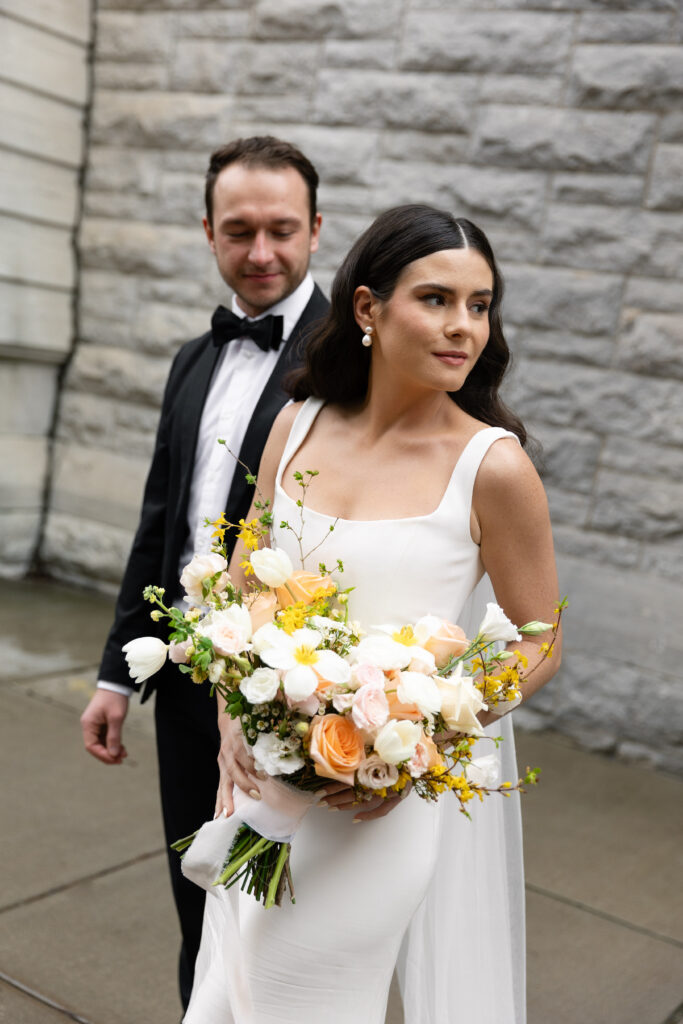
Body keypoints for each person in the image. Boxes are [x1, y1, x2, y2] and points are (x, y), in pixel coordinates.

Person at [187, 204, 561, 1024]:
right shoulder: (298, 421)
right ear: (366, 309)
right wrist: (231, 719)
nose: (462, 326)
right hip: (255, 783)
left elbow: (539, 642)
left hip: (377, 808)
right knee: (225, 995)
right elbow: (244, 585)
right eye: (435, 299)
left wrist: (420, 743)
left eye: (479, 304)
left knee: (303, 1004)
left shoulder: (491, 467)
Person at [79, 136, 329, 1010]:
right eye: (238, 230)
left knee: (266, 905)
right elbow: (161, 527)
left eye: (281, 230)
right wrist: (119, 670)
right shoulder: (193, 359)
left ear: (315, 230)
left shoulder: (357, 364)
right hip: (187, 686)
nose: (261, 252)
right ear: (209, 233)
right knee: (197, 891)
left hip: (293, 699)